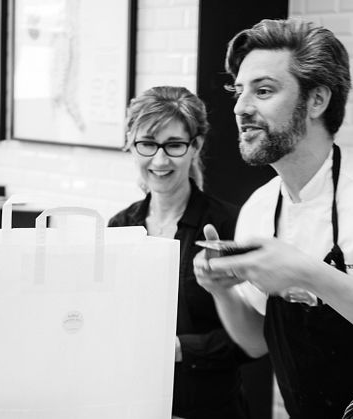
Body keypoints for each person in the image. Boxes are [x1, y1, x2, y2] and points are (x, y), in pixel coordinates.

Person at [193, 19, 353, 418]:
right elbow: (254, 342)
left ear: (316, 101)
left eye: (263, 91)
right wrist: (221, 290)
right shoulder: (259, 209)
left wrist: (306, 272)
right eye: (239, 90)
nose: (240, 107)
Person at [109, 86, 251, 419]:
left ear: (195, 146)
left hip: (211, 408)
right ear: (131, 144)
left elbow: (253, 337)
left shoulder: (229, 225)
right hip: (135, 404)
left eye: (174, 145)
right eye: (147, 144)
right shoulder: (120, 227)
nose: (159, 160)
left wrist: (178, 350)